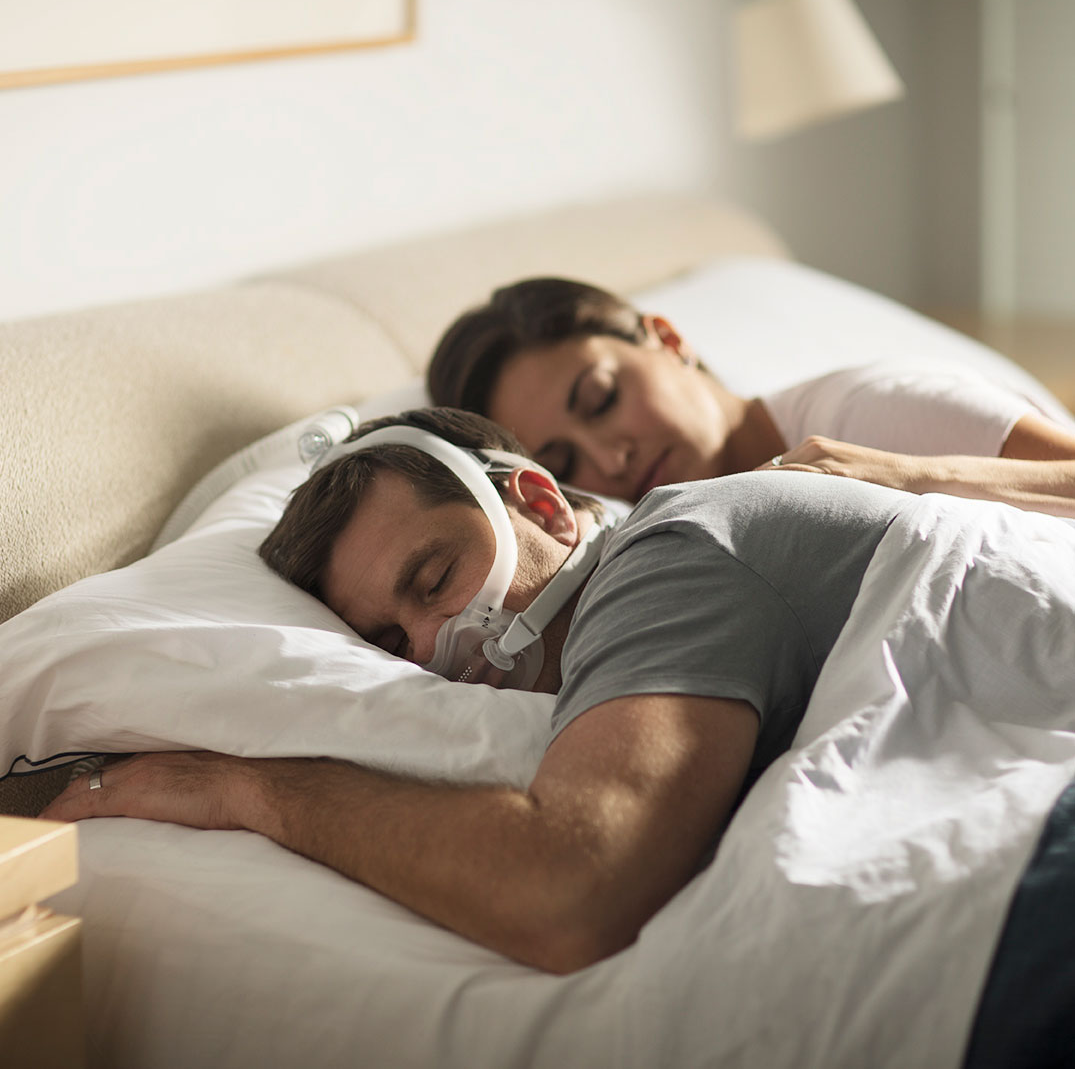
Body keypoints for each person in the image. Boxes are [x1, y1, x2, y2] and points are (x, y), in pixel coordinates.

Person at [33, 407, 1031, 974]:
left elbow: (571, 890)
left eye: (434, 578)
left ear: (542, 502)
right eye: (390, 640)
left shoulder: (675, 547)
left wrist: (246, 789)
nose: (438, 643)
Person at [426, 277, 1075, 516]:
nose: (609, 459)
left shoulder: (873, 414)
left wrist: (909, 477)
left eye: (600, 399)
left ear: (668, 339)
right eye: (564, 463)